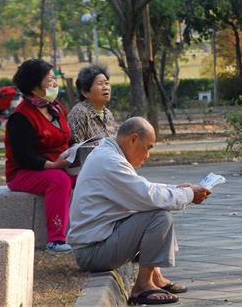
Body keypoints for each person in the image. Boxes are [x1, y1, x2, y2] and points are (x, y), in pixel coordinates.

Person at [68, 117, 211, 305]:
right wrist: (188, 194)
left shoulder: (109, 153)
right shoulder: (109, 161)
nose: (148, 155)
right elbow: (147, 195)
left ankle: (155, 278)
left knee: (153, 211)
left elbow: (141, 190)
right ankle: (143, 286)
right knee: (159, 217)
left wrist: (177, 189)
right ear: (133, 139)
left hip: (97, 244)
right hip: (92, 253)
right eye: (148, 147)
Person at [4, 59, 75, 253]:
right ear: (35, 87)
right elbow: (24, 157)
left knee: (90, 175)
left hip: (60, 164)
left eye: (55, 80)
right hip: (25, 172)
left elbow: (69, 139)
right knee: (59, 180)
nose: (55, 84)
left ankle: (92, 231)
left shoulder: (57, 108)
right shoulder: (21, 117)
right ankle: (56, 239)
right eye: (50, 80)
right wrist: (53, 165)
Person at [67, 65, 117, 144]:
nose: (105, 87)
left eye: (107, 83)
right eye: (100, 84)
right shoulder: (79, 113)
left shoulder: (108, 114)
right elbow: (76, 149)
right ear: (85, 92)